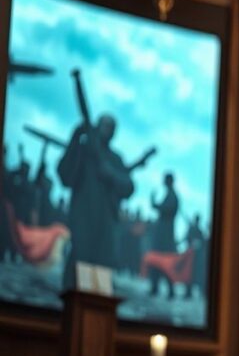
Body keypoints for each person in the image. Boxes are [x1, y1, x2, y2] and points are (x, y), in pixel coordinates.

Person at [57, 114, 134, 289]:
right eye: (104, 125)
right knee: (76, 283)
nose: (107, 130)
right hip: (82, 224)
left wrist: (111, 175)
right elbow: (66, 175)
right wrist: (75, 138)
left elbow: (128, 187)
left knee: (100, 287)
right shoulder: (84, 152)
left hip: (105, 230)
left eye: (111, 127)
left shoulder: (115, 159)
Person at [149, 172, 179, 296]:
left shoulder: (172, 196)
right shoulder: (170, 195)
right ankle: (156, 288)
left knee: (165, 264)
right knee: (158, 262)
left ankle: (170, 290)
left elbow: (166, 209)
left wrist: (155, 203)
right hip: (163, 236)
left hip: (165, 237)